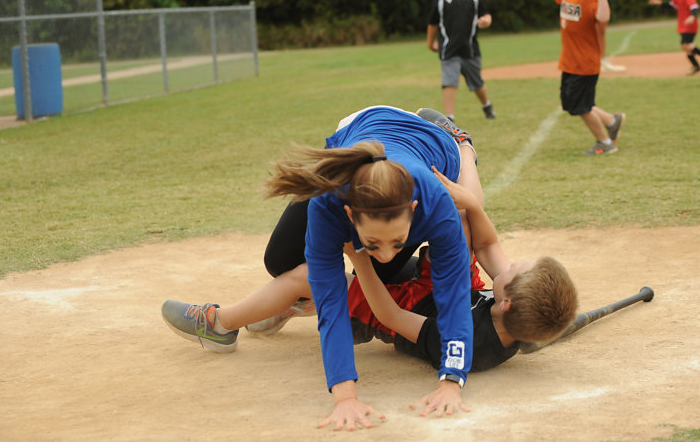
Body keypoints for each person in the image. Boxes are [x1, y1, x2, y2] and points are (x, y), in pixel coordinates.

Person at [161, 166, 578, 424]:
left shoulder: (465, 343)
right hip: (432, 293)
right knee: (462, 220)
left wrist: (359, 257)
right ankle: (461, 144)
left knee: (305, 277)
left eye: (515, 271)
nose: (510, 266)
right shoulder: (521, 324)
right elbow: (486, 245)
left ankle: (219, 324)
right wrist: (467, 189)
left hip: (395, 309)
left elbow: (392, 316)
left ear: (506, 302)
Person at [164, 106, 482, 429]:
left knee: (382, 272)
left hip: (434, 146)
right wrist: (345, 397)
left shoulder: (436, 204)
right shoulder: (328, 203)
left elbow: (453, 295)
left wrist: (451, 381)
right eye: (372, 243)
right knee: (279, 260)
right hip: (362, 128)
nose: (386, 254)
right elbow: (332, 302)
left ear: (414, 211)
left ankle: (462, 142)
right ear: (349, 216)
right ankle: (299, 298)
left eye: (397, 242)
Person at [550, 0, 626, 156]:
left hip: (585, 65)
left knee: (582, 108)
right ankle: (612, 121)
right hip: (569, 63)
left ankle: (605, 143)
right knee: (573, 104)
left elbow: (603, 16)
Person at [427, 0, 496, 122]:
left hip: (470, 49)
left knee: (477, 83)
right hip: (448, 49)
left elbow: (485, 14)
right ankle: (449, 118)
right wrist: (430, 43)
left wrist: (486, 21)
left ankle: (486, 105)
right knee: (449, 82)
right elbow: (433, 23)